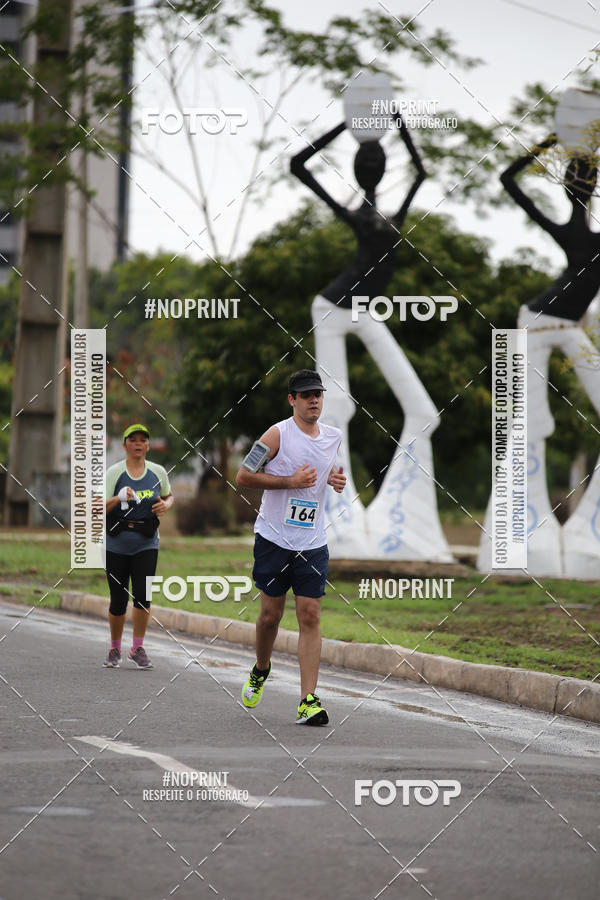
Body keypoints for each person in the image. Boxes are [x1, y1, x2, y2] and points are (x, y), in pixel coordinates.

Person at [289, 117, 451, 562]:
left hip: (365, 312)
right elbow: (298, 165)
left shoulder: (394, 213)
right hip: (332, 308)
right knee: (336, 409)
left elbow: (419, 171)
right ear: (360, 168)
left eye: (381, 157)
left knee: (424, 412)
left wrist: (396, 125)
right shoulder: (355, 212)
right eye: (369, 157)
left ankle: (395, 524)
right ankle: (336, 525)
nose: (377, 163)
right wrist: (346, 124)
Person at [236, 370, 346, 725]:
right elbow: (243, 475)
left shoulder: (333, 437)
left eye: (317, 394)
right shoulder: (277, 433)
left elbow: (319, 467)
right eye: (305, 394)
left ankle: (308, 700)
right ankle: (261, 669)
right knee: (270, 617)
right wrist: (289, 482)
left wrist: (332, 478)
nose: (313, 399)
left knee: (310, 615)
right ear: (292, 400)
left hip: (312, 542)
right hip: (273, 538)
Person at [103, 423, 174, 668]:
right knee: (118, 599)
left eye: (143, 440)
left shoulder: (157, 472)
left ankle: (137, 647)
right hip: (116, 543)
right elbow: (98, 506)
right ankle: (114, 648)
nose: (138, 444)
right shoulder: (114, 472)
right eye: (132, 439)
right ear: (124, 445)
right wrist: (119, 497)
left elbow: (168, 495)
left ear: (148, 445)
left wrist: (167, 505)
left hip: (146, 542)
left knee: (143, 597)